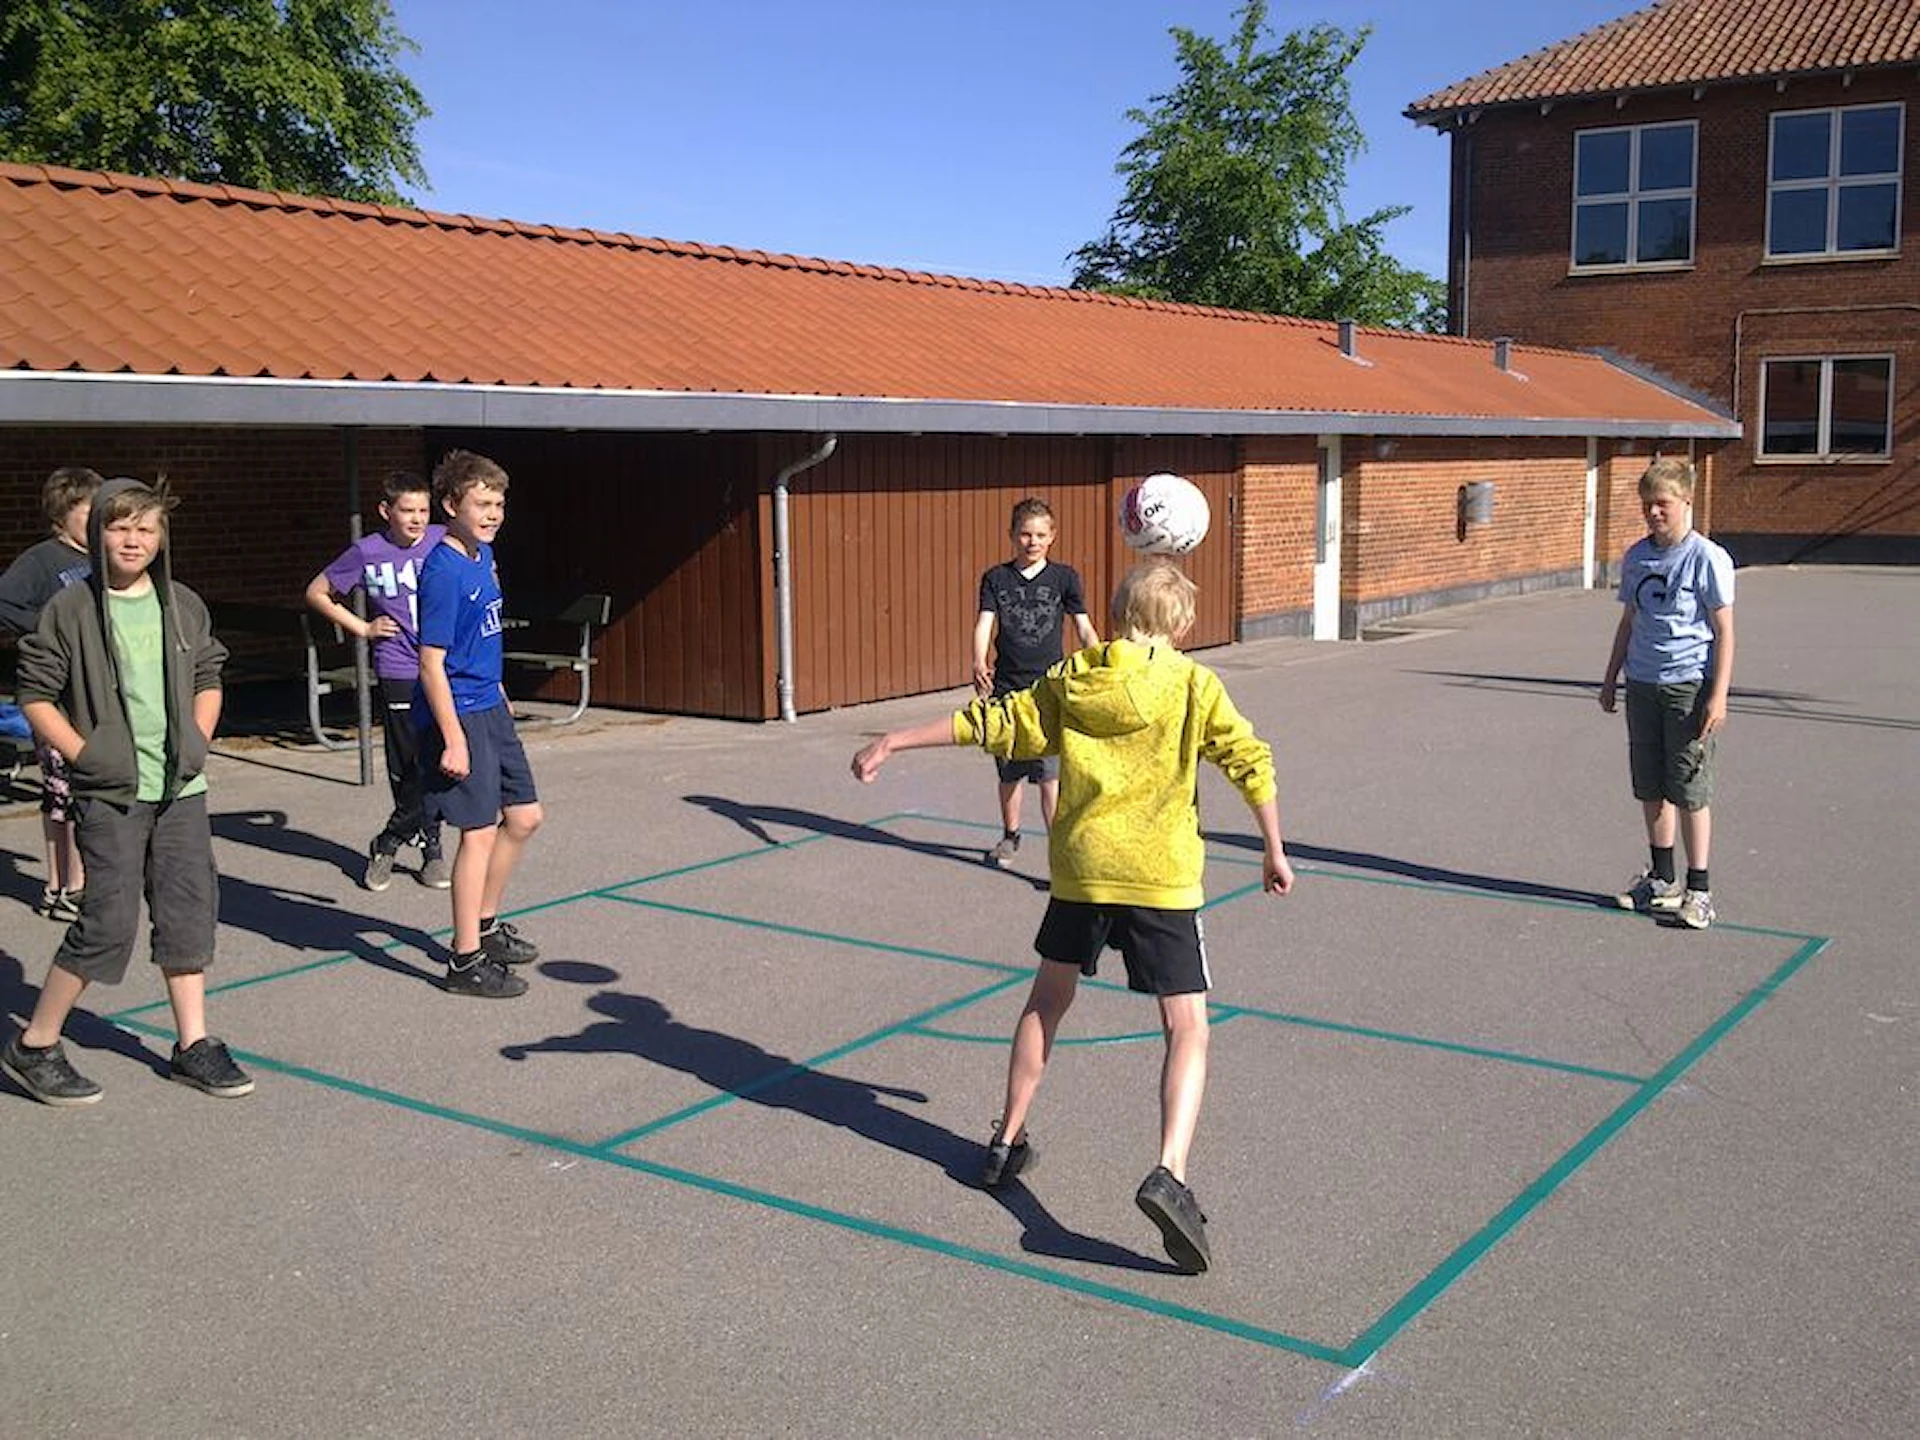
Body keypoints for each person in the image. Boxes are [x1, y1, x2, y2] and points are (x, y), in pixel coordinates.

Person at [854, 559, 1293, 1273]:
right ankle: (1170, 1173)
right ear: (1182, 625)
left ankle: (1005, 1141)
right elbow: (1249, 759)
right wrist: (1273, 846)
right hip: (1160, 877)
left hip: (1082, 872)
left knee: (1046, 1001)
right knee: (1187, 1025)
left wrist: (895, 739)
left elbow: (997, 722)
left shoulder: (1070, 678)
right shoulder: (1193, 684)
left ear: (1115, 616)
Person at [2, 477, 251, 1106]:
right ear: (96, 535)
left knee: (187, 911)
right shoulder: (72, 609)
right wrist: (87, 756)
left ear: (161, 536)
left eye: (145, 528)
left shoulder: (181, 604)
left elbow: (208, 675)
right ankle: (35, 1043)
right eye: (119, 527)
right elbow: (35, 695)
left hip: (180, 789)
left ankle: (193, 1044)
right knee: (107, 921)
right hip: (111, 792)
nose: (133, 540)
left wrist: (197, 740)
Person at [415, 450, 543, 999]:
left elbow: (483, 636)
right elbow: (430, 662)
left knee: (525, 817)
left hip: (488, 703)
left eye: (499, 504)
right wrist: (453, 738)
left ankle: (484, 926)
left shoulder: (483, 556)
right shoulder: (442, 571)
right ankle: (464, 960)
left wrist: (499, 689)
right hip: (459, 711)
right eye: (482, 504)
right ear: (451, 505)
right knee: (478, 830)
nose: (493, 514)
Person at [1598, 456, 1735, 931]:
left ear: (1686, 501)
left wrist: (1719, 695)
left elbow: (1725, 631)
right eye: (1647, 505)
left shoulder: (1706, 557)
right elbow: (1628, 621)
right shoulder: (1637, 557)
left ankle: (1699, 890)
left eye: (1662, 504)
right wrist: (1611, 677)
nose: (1654, 513)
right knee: (1651, 785)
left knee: (1689, 789)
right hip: (1642, 682)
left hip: (1687, 686)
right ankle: (1662, 878)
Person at [304, 470, 450, 892]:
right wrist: (363, 628)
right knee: (407, 761)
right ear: (386, 511)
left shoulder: (444, 540)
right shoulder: (367, 551)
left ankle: (391, 839)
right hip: (398, 666)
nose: (417, 519)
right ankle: (429, 847)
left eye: (423, 510)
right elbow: (317, 592)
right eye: (408, 510)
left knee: (444, 757)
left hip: (443, 666)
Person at [972, 497, 1099, 868]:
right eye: (1026, 534)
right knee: (1009, 773)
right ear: (1012, 535)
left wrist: (1098, 660)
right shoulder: (996, 578)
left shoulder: (1065, 578)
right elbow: (984, 623)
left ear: (1052, 536)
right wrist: (978, 659)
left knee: (1049, 777)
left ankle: (1058, 852)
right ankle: (1010, 835)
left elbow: (1083, 627)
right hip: (1007, 690)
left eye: (1041, 535)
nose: (1033, 542)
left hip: (1050, 692)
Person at [0, 466, 103, 922]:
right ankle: (65, 885)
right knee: (64, 788)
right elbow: (3, 601)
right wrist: (47, 627)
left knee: (87, 787)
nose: (98, 522)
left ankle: (75, 882)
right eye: (88, 512)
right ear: (63, 514)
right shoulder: (43, 560)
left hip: (97, 690)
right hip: (56, 695)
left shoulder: (103, 558)